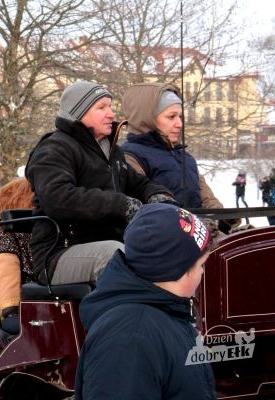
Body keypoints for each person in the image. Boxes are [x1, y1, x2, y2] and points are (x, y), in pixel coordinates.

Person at [25, 81, 174, 286]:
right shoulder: (54, 148)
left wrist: (158, 196)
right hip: (60, 252)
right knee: (114, 255)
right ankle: (121, 317)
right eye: (102, 107)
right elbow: (58, 198)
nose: (112, 114)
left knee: (169, 251)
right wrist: (121, 205)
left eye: (111, 106)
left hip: (113, 242)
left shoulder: (112, 151)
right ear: (78, 112)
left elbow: (139, 184)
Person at [75, 203, 216, 399]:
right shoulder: (130, 336)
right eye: (201, 265)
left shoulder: (167, 312)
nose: (202, 272)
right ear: (177, 269)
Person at [120, 83, 234, 233]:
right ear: (147, 119)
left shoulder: (184, 157)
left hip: (199, 236)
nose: (179, 124)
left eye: (180, 116)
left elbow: (206, 198)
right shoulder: (130, 157)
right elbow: (145, 212)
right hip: (166, 242)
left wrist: (221, 217)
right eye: (171, 117)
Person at [0, 178, 36, 333]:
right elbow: (6, 270)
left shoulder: (35, 233)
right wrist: (10, 309)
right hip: (26, 306)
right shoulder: (6, 237)